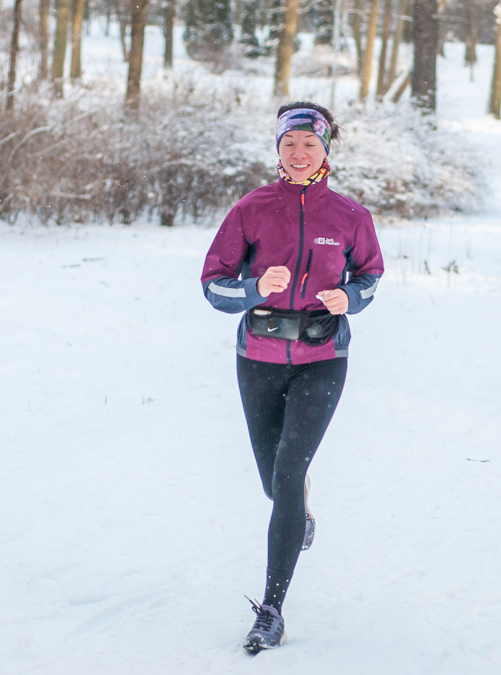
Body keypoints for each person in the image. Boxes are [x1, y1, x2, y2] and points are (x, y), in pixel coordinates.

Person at [201, 102, 384, 653]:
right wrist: (255, 288)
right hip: (257, 357)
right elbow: (212, 285)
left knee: (286, 473)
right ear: (277, 151)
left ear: (325, 150)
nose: (299, 153)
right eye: (289, 145)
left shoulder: (350, 215)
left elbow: (371, 275)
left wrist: (349, 296)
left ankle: (272, 610)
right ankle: (297, 508)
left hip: (323, 357)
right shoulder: (251, 209)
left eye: (309, 144)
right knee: (273, 482)